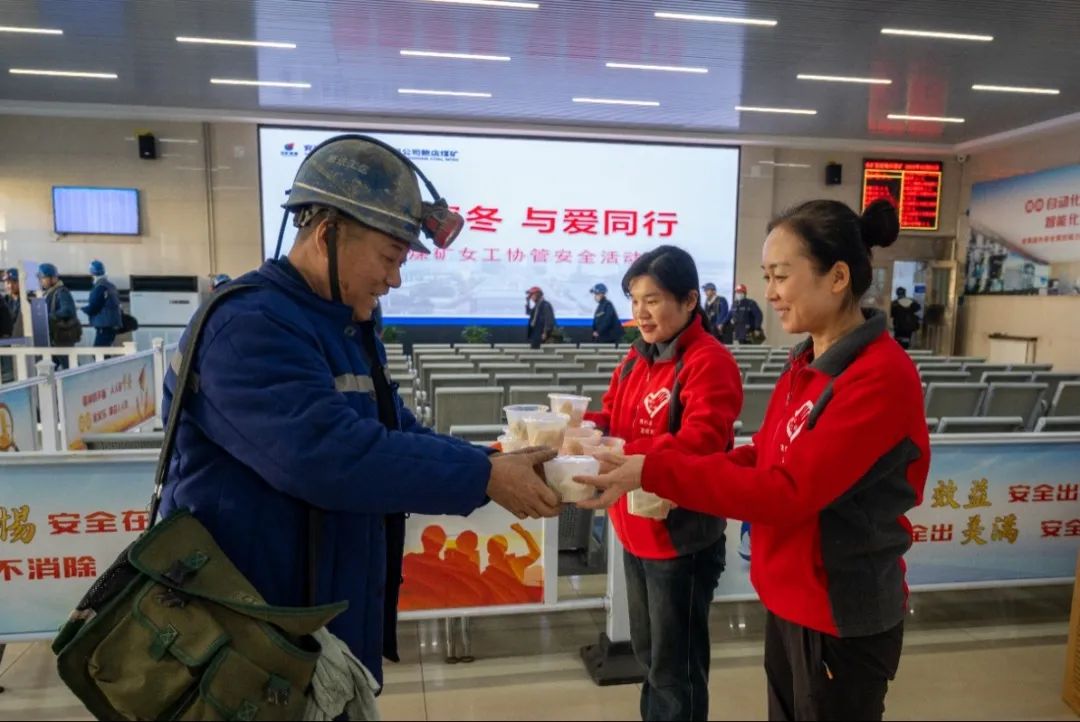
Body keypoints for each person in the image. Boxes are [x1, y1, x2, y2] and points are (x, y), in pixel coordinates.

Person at [158, 134, 561, 688]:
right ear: (327, 234)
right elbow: (329, 457)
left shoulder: (338, 323)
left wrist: (493, 460)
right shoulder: (249, 326)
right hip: (250, 631)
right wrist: (483, 476)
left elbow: (393, 429)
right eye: (390, 257)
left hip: (316, 618)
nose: (395, 279)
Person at [576, 199, 930, 722]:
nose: (769, 293)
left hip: (837, 607)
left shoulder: (877, 375)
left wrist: (652, 469)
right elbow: (760, 456)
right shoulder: (806, 363)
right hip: (790, 596)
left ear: (837, 278)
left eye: (780, 275)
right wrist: (642, 465)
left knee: (676, 672)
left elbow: (788, 491)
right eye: (767, 276)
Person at [586, 245, 743, 721]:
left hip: (681, 541)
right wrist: (580, 430)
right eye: (635, 300)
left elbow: (703, 440)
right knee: (650, 657)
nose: (640, 312)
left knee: (676, 671)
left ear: (690, 300)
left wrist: (629, 454)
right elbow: (611, 417)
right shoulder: (636, 359)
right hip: (634, 531)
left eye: (652, 300)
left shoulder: (708, 361)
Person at [38, 263, 79, 368]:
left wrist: (48, 317)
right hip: (55, 339)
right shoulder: (51, 292)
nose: (41, 281)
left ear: (53, 278)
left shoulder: (61, 292)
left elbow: (67, 310)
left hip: (62, 339)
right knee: (52, 367)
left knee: (70, 367)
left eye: (43, 278)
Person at [82, 260, 122, 348]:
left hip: (104, 325)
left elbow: (95, 307)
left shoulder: (100, 287)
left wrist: (82, 308)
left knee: (99, 351)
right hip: (112, 324)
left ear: (92, 273)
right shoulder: (110, 286)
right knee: (105, 351)